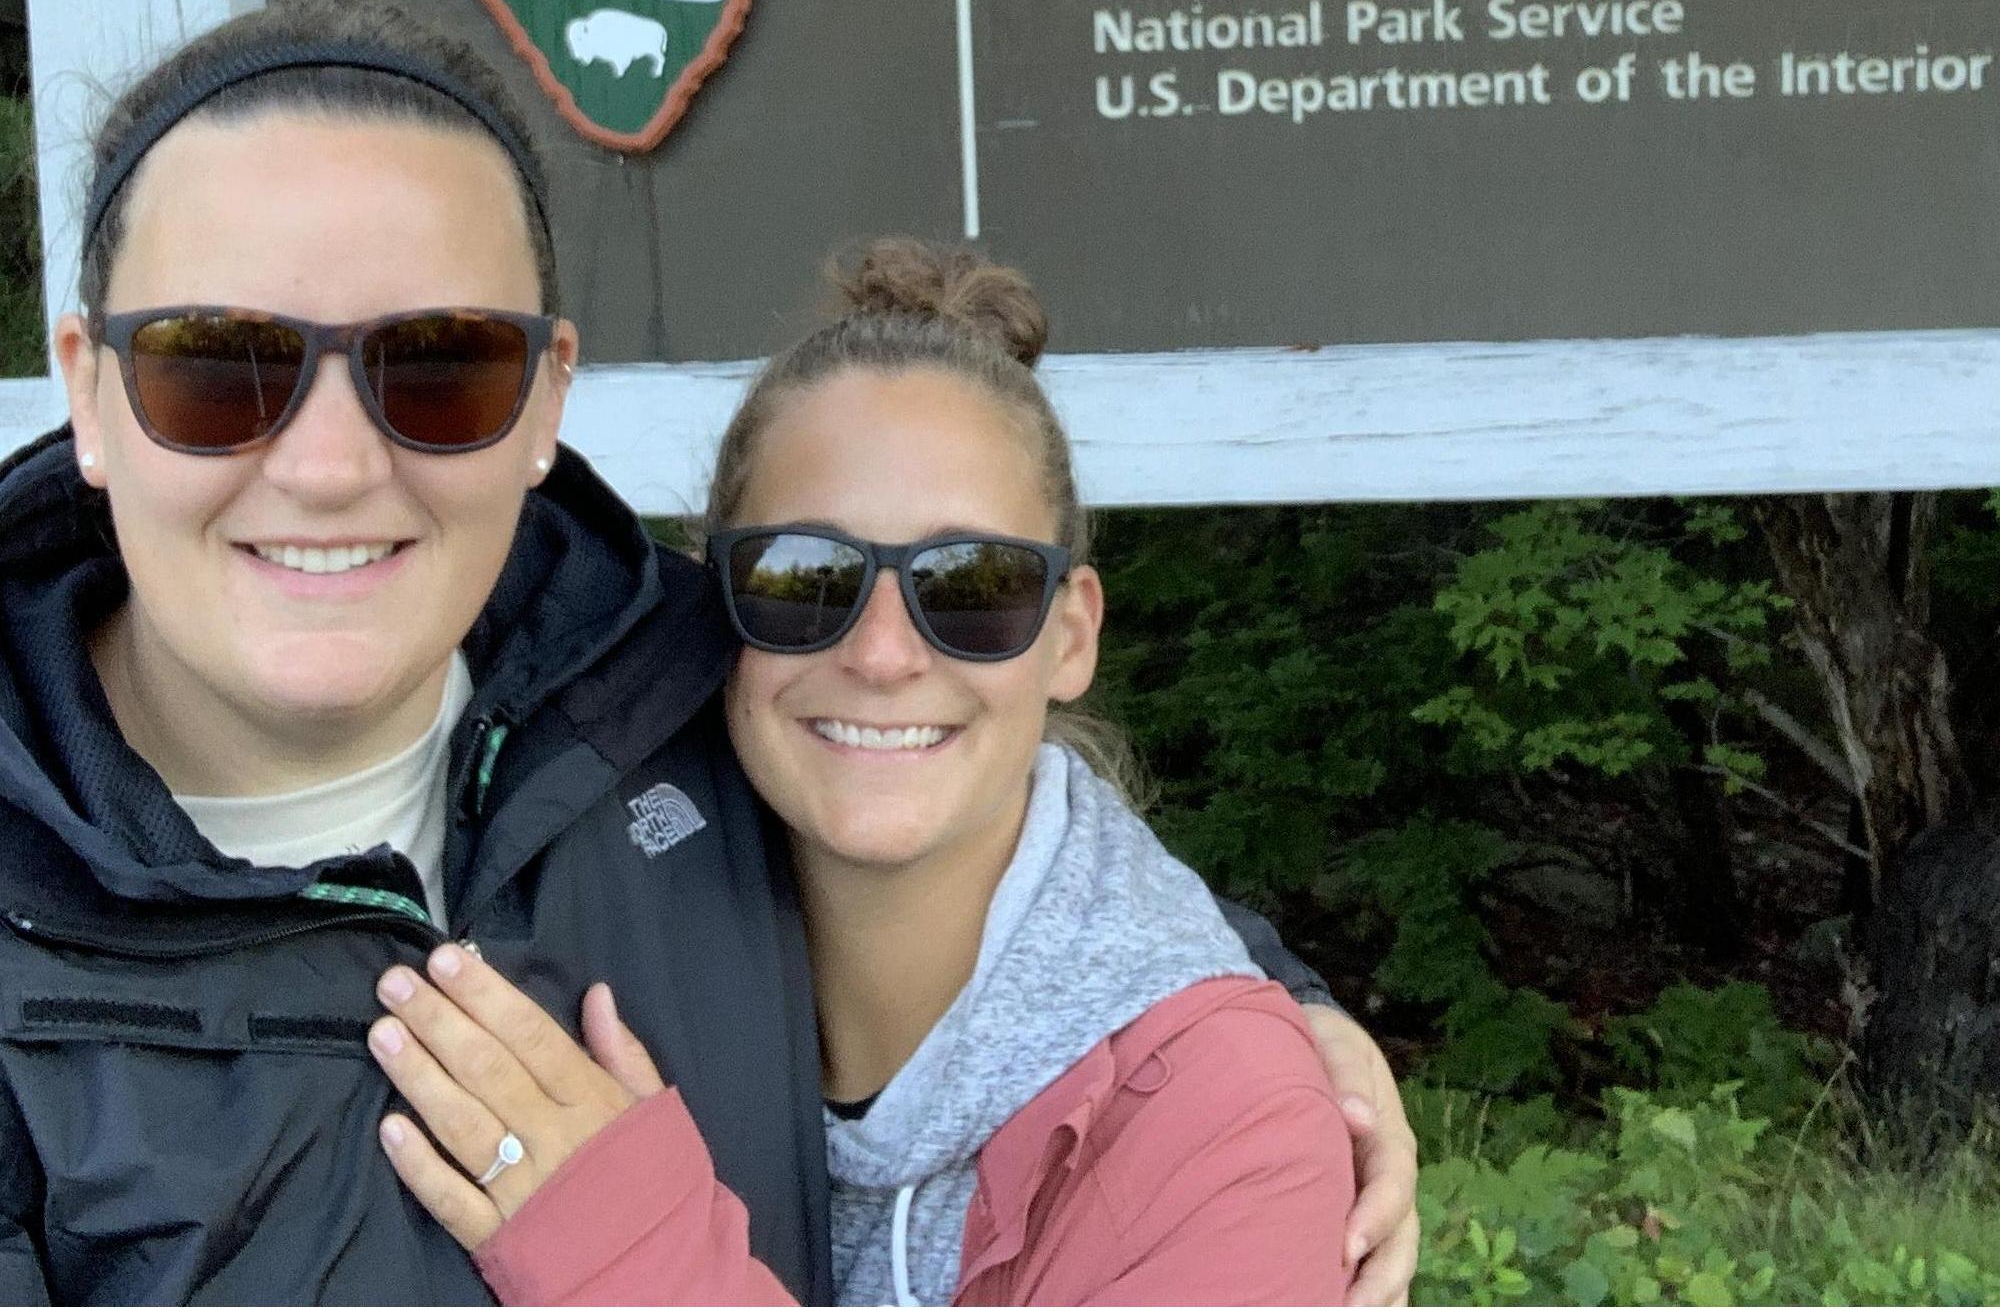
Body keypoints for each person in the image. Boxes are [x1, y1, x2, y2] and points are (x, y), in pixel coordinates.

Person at [0, 0, 1417, 1304]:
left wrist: (1273, 1036)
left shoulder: (666, 680)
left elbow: (983, 839)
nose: (323, 463)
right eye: (214, 364)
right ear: (90, 390)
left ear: (547, 394)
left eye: (436, 363)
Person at [363, 243, 1356, 1305]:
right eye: (805, 578)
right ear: (720, 613)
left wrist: (630, 1258)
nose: (883, 654)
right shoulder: (632, 867)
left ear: (1071, 635)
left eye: (973, 587)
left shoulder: (1225, 1120)